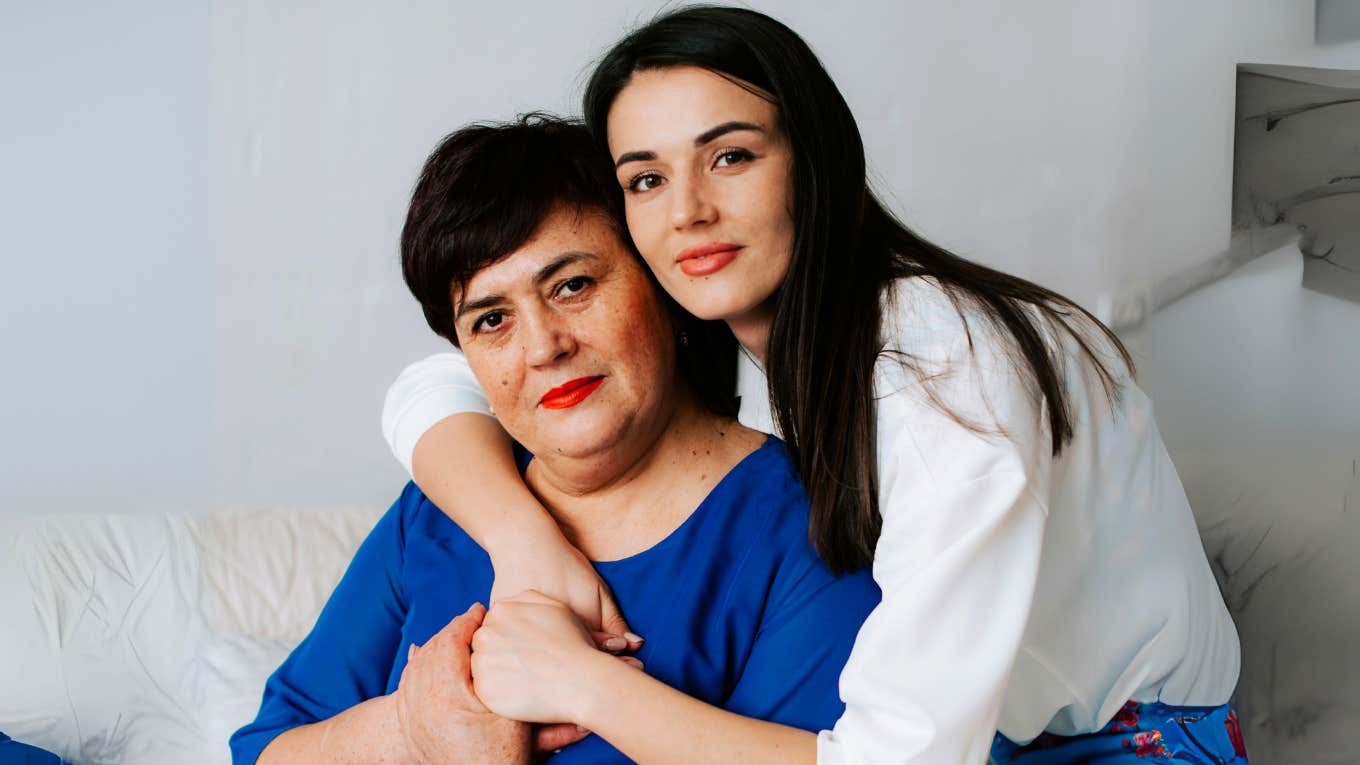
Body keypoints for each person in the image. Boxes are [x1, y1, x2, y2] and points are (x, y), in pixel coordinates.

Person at [382, 6, 1248, 764]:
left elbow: (899, 759)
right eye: (646, 179)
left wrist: (581, 683)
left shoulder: (945, 365)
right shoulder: (743, 337)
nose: (686, 210)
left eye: (728, 156)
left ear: (815, 157)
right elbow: (440, 384)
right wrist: (523, 540)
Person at [230, 115, 879, 765]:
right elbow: (264, 749)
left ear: (663, 284)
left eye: (573, 285)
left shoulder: (810, 527)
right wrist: (410, 729)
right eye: (492, 319)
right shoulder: (437, 512)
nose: (543, 346)